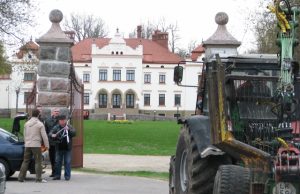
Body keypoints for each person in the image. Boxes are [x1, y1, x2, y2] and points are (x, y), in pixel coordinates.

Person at [18, 109, 49, 183]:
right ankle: (38, 179)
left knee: (25, 161)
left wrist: (26, 143)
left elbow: (25, 135)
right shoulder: (40, 124)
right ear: (38, 115)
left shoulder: (26, 123)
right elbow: (44, 136)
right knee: (38, 161)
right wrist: (47, 145)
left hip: (27, 144)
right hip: (36, 145)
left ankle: (21, 178)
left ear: (32, 114)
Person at [49, 115, 76, 181]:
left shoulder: (69, 126)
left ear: (66, 120)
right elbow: (50, 133)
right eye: (61, 121)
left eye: (64, 120)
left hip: (67, 148)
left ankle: (67, 176)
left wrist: (69, 130)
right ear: (59, 121)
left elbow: (74, 133)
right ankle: (57, 175)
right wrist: (52, 135)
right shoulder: (56, 127)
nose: (62, 122)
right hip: (59, 147)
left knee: (67, 162)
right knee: (58, 162)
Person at [44, 108, 60, 177]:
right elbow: (45, 131)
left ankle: (57, 172)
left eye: (58, 112)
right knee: (52, 158)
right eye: (55, 111)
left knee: (57, 158)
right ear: (52, 112)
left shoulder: (60, 119)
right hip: (50, 142)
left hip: (58, 142)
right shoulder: (47, 120)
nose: (57, 113)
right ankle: (53, 172)